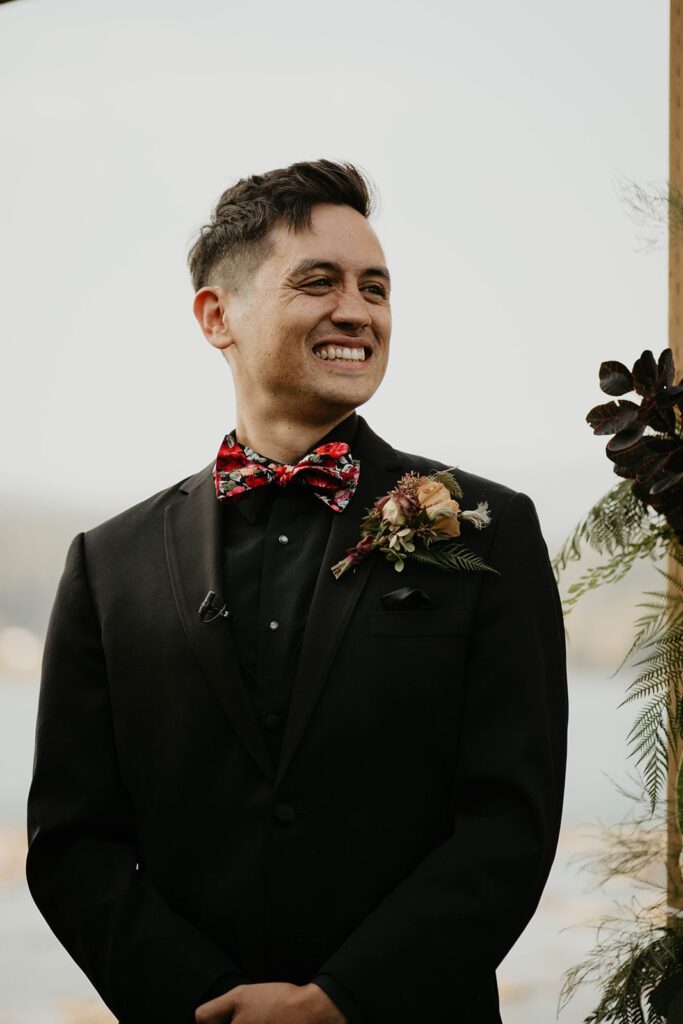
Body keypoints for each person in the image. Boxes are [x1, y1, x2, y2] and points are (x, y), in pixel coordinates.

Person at [26, 159, 568, 1024]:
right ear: (217, 316)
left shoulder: (487, 528)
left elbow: (511, 820)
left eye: (375, 288)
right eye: (318, 282)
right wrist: (197, 1001)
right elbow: (71, 840)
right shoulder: (107, 562)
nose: (356, 311)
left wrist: (343, 1000)